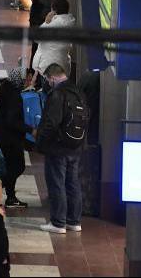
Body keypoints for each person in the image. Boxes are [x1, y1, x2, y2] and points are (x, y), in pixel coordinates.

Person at [37, 63, 86, 234]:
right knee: (73, 184)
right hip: (75, 146)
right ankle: (74, 221)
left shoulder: (57, 94)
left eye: (47, 79)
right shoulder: (78, 92)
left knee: (57, 183)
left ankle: (58, 223)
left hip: (58, 148)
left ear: (52, 77)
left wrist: (41, 140)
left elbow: (51, 122)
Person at [0, 72, 29, 208]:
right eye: (28, 78)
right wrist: (30, 129)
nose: (31, 80)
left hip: (0, 136)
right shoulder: (13, 96)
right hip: (9, 139)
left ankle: (10, 197)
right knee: (18, 166)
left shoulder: (4, 87)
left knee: (10, 167)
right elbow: (12, 120)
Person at [33, 0, 76, 77]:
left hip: (48, 68)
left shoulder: (52, 24)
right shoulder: (70, 22)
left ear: (53, 11)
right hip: (63, 66)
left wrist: (46, 22)